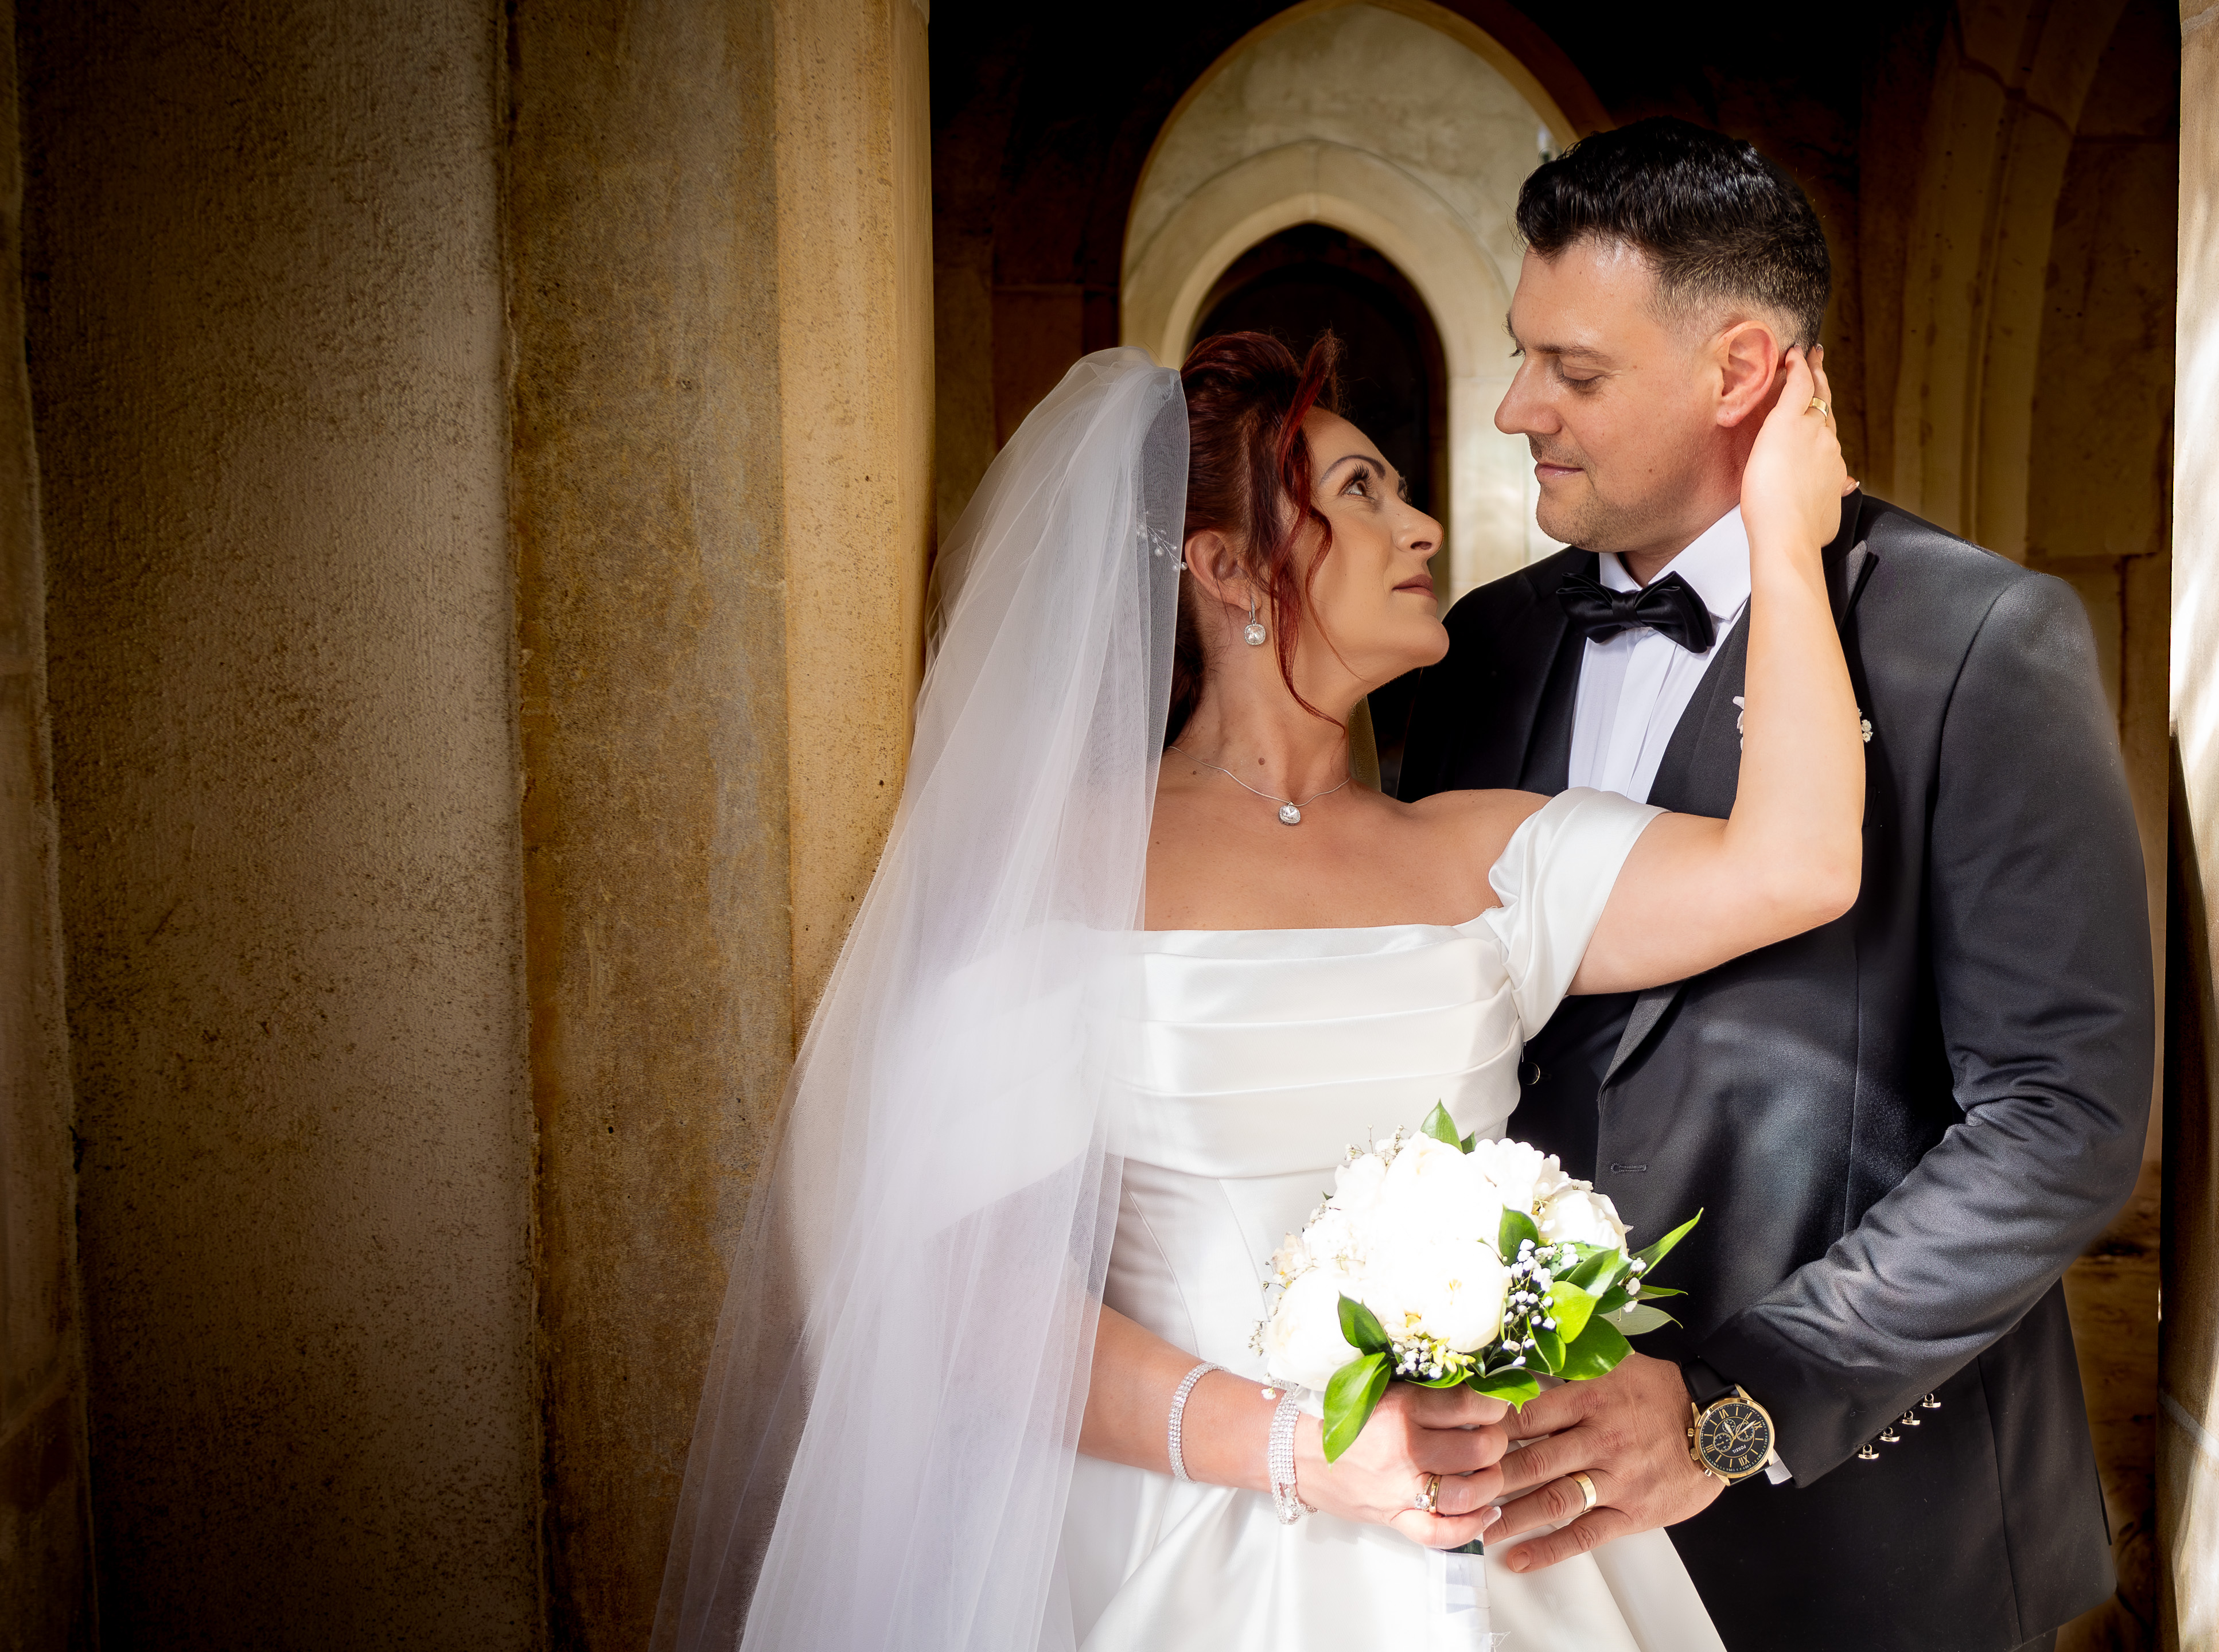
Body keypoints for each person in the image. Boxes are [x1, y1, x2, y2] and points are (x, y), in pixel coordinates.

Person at [654, 324, 1857, 1650]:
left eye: (1398, 490)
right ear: (1226, 568)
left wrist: (1783, 543)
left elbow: (1794, 867)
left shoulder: (1484, 852)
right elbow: (964, 1293)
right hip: (1182, 1544)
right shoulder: (1064, 866)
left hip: (1491, 1533)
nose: (1420, 527)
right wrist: (1299, 1449)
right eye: (1358, 491)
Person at [1395, 118, 2156, 1652]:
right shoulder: (1475, 650)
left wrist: (1731, 1407)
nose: (1516, 407)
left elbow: (2060, 1119)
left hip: (1873, 1549)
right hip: (1528, 1545)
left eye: (1572, 370)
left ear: (1739, 371)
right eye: (1522, 355)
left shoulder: (1976, 642)